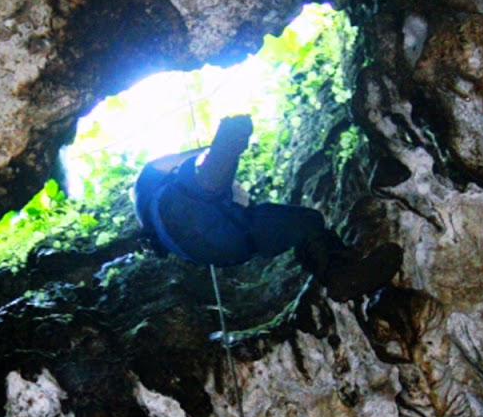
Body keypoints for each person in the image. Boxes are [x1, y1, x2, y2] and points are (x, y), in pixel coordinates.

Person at [134, 115, 401, 300]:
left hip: (226, 245)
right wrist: (212, 149)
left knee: (306, 222)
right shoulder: (149, 182)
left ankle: (340, 276)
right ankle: (230, 138)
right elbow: (184, 164)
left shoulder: (149, 211)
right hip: (192, 213)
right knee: (198, 184)